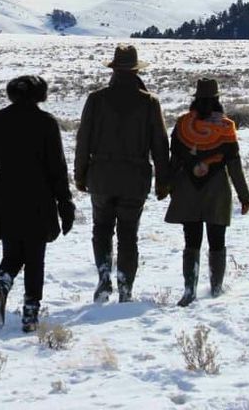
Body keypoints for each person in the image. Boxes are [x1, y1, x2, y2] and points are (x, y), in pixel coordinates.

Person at [0, 75, 75, 332]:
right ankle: (30, 314)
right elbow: (57, 169)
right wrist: (65, 204)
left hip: (5, 198)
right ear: (40, 95)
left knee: (12, 254)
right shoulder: (46, 123)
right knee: (34, 257)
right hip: (38, 199)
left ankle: (0, 287)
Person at [75, 44, 169, 303]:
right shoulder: (149, 103)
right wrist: (163, 182)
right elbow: (160, 145)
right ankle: (125, 287)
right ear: (136, 70)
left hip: (101, 177)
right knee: (129, 234)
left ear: (114, 69)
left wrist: (80, 175)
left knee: (101, 229)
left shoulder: (96, 99)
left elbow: (83, 140)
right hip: (134, 179)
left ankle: (104, 279)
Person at [165, 78, 249, 307]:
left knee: (191, 240)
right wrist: (244, 196)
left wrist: (167, 186)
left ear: (196, 99)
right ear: (217, 100)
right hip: (217, 190)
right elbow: (234, 164)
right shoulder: (225, 126)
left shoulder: (183, 124)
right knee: (217, 241)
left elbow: (174, 160)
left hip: (187, 188)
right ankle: (215, 289)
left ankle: (189, 291)